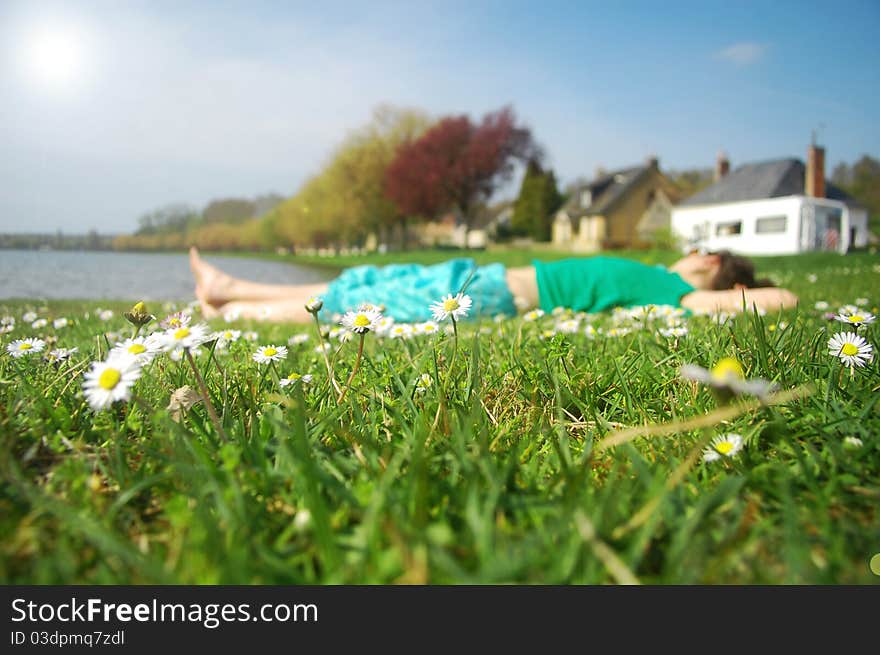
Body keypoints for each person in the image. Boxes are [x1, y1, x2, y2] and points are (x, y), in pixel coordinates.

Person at [189, 247, 798, 323]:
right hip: (475, 278)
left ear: (717, 267)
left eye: (706, 251)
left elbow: (784, 300)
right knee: (360, 282)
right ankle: (229, 285)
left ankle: (230, 315)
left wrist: (737, 294)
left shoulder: (679, 295)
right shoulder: (661, 275)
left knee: (360, 308)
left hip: (492, 297)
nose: (693, 251)